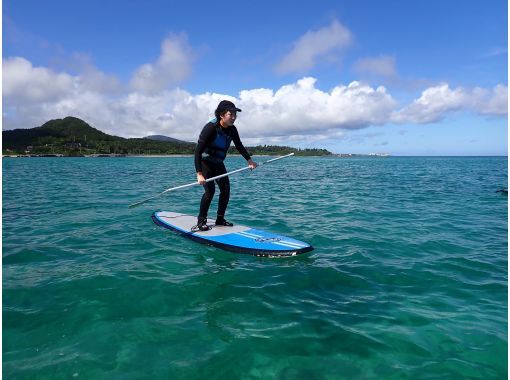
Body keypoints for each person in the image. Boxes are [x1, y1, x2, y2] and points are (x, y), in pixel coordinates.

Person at [194, 100, 257, 231]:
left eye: (235, 114)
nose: (234, 117)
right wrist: (199, 174)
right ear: (222, 114)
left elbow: (239, 145)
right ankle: (201, 221)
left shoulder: (232, 130)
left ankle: (220, 219)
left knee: (226, 189)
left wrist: (249, 161)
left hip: (218, 163)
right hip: (205, 163)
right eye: (231, 114)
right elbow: (198, 151)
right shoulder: (210, 128)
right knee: (210, 191)